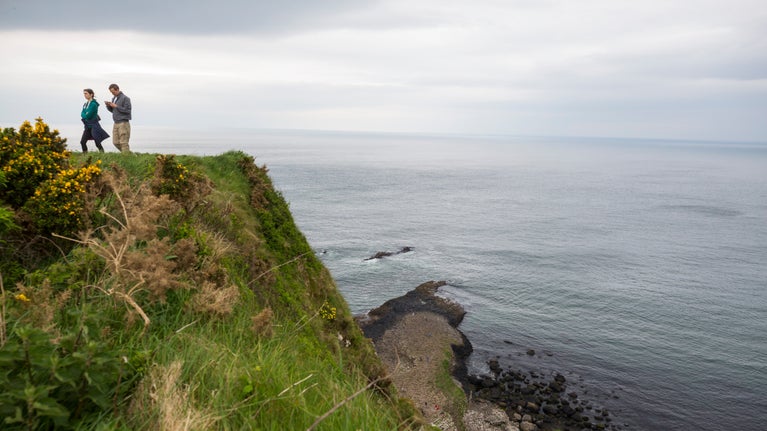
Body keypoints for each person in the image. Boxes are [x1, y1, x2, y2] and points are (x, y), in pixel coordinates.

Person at [105, 83, 132, 153]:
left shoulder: (126, 98)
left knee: (123, 142)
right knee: (115, 142)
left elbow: (127, 111)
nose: (112, 94)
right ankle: (130, 155)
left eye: (113, 92)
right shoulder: (114, 98)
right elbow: (113, 111)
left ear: (117, 90)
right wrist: (108, 106)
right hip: (116, 122)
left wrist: (116, 106)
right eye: (111, 92)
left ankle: (126, 157)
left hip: (123, 123)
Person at [80, 88, 108, 153]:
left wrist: (85, 114)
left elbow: (88, 116)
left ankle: (103, 155)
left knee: (97, 142)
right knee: (82, 142)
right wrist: (85, 114)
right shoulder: (85, 104)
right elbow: (82, 113)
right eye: (84, 94)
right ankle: (85, 156)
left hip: (94, 126)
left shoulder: (94, 104)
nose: (85, 95)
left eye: (86, 93)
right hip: (87, 126)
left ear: (91, 94)